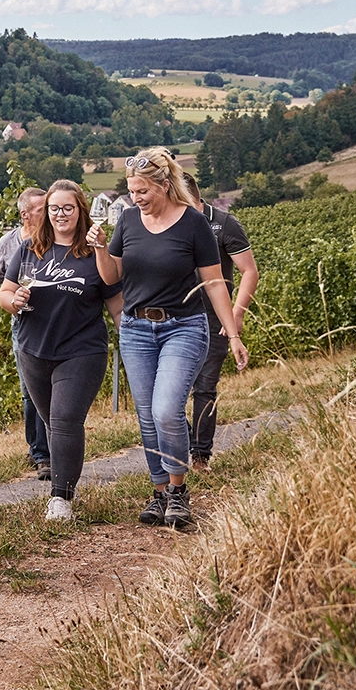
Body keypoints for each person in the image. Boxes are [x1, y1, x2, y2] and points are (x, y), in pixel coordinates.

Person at [97, 148, 247, 531]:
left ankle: (179, 491)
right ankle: (160, 491)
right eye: (131, 191)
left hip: (184, 325)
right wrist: (100, 248)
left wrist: (232, 333)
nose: (136, 198)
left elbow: (214, 282)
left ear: (164, 185)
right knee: (147, 415)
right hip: (135, 329)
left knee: (166, 410)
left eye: (143, 190)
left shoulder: (193, 223)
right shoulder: (128, 221)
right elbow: (112, 276)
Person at [0, 179, 121, 522]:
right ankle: (66, 482)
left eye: (68, 208)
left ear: (80, 211)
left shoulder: (93, 253)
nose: (60, 214)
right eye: (54, 208)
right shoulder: (29, 249)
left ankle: (61, 498)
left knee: (65, 419)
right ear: (46, 212)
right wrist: (13, 301)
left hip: (82, 350)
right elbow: (4, 294)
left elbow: (116, 303)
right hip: (33, 350)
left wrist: (137, 344)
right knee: (52, 422)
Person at [182, 173, 258, 473]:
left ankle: (200, 456)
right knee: (169, 393)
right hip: (177, 315)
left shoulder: (224, 224)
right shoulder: (165, 224)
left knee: (204, 388)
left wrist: (236, 314)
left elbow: (249, 271)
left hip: (215, 317)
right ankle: (187, 441)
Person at [0, 187, 51, 478]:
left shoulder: (56, 239)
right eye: (43, 208)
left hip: (55, 323)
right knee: (30, 391)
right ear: (25, 214)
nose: (50, 212)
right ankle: (40, 453)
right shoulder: (9, 242)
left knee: (56, 391)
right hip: (24, 324)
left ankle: (57, 448)